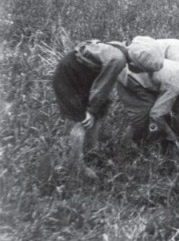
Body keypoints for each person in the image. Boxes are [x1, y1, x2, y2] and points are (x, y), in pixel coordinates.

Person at [52, 37, 163, 177]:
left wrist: (96, 109)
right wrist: (91, 111)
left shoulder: (121, 47)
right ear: (136, 63)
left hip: (84, 75)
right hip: (69, 77)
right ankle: (76, 165)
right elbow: (103, 86)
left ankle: (93, 151)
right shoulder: (118, 60)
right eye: (144, 69)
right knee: (82, 121)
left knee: (100, 111)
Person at [116, 55, 179, 151]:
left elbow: (177, 107)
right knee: (143, 113)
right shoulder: (175, 86)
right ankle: (126, 145)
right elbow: (156, 115)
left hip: (133, 68)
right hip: (128, 75)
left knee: (157, 109)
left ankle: (148, 138)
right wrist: (173, 137)